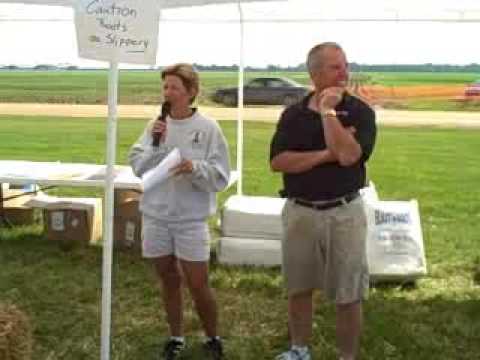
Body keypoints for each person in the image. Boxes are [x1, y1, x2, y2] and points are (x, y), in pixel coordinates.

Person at [269, 42, 377, 360]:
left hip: (344, 212)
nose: (344, 73)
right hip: (300, 211)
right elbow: (279, 161)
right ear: (315, 74)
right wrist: (327, 154)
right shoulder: (294, 114)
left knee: (348, 292)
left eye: (345, 65)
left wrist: (329, 113)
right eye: (335, 67)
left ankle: (347, 356)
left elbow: (349, 156)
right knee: (299, 287)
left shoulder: (359, 112)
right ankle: (299, 350)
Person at [128, 63, 230, 360]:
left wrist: (194, 168)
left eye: (174, 87)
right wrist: (156, 147)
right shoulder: (155, 126)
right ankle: (175, 337)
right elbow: (137, 164)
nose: (168, 93)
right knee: (168, 278)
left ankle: (213, 337)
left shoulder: (208, 128)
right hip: (156, 217)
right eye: (165, 87)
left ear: (191, 92)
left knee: (198, 284)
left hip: (191, 220)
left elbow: (221, 176)